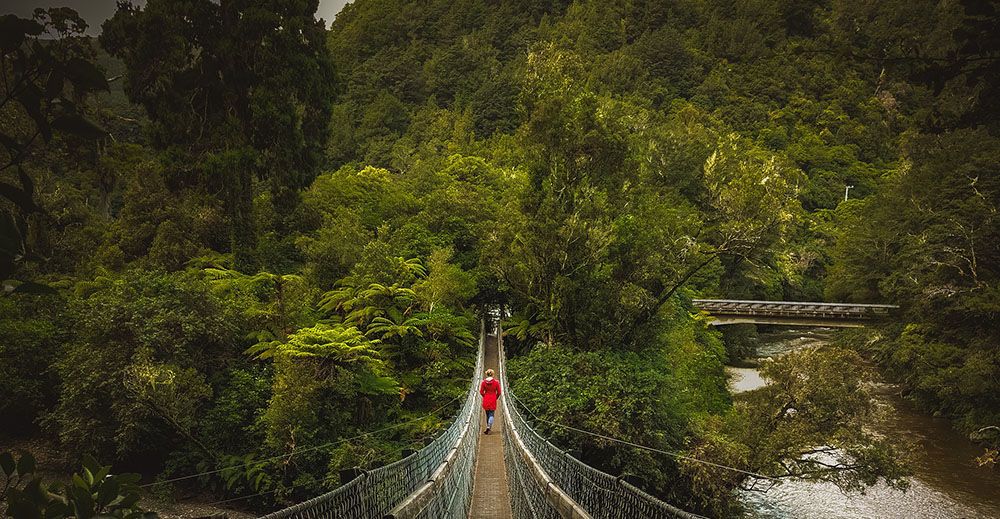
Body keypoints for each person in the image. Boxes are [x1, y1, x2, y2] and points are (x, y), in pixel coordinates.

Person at [479, 368, 501, 434]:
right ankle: (489, 427)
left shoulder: (483, 382)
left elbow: (481, 391)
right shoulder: (496, 382)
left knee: (487, 414)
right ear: (493, 374)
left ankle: (488, 427)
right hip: (493, 399)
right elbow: (499, 392)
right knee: (491, 414)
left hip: (486, 399)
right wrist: (495, 397)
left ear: (486, 374)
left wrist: (485, 396)